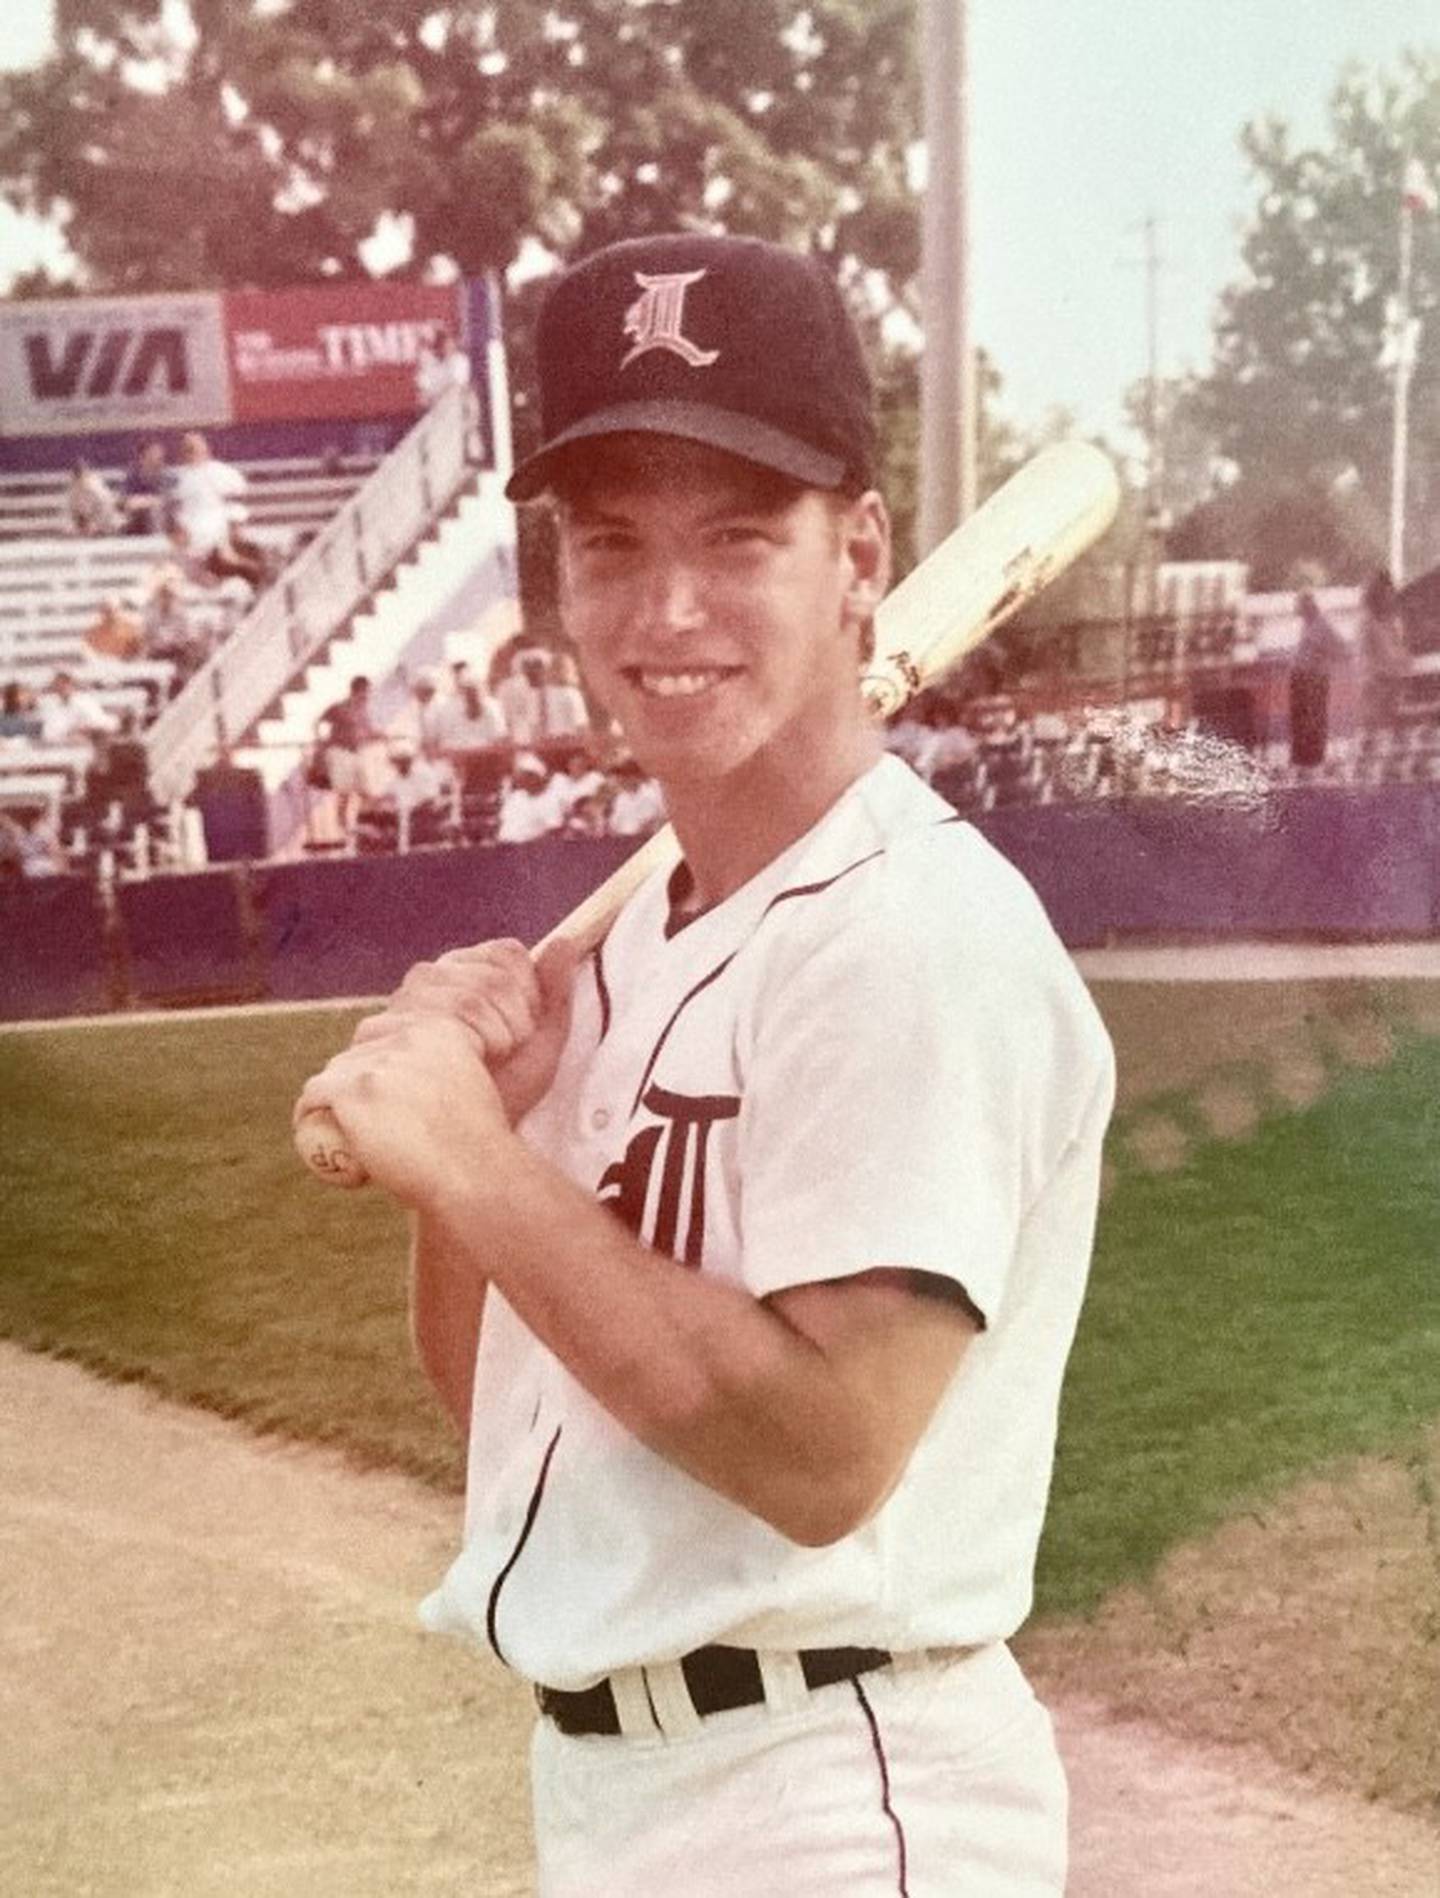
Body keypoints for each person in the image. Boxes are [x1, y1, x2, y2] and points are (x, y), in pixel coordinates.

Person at [297, 232, 1114, 1896]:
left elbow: (824, 1454)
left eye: (739, 537)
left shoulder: (912, 935)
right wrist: (491, 1153)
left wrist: (475, 1163)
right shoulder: (631, 943)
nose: (668, 611)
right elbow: (511, 1406)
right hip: (623, 1790)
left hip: (831, 1789)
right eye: (614, 546)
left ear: (861, 551)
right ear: (561, 577)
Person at [170, 432, 269, 588]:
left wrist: (233, 524)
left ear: (206, 448)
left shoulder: (222, 472)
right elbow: (177, 510)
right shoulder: (179, 478)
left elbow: (238, 499)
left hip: (220, 522)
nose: (192, 451)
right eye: (188, 448)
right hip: (193, 529)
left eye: (196, 447)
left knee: (235, 554)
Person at [1289, 584, 1352, 769]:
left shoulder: (1322, 625)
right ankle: (1301, 758)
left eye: (1299, 605)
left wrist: (1323, 656)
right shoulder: (1306, 624)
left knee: (1314, 720)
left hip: (1315, 678)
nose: (1297, 609)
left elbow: (1342, 650)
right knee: (1300, 720)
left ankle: (1313, 759)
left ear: (1308, 605)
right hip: (1300, 677)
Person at [315, 674, 385, 834]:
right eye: (366, 691)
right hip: (340, 752)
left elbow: (367, 731)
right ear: (357, 690)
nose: (368, 695)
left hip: (356, 752)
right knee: (344, 791)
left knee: (365, 789)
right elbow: (319, 722)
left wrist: (381, 736)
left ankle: (364, 822)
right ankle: (342, 825)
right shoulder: (339, 708)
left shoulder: (363, 710)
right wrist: (321, 742)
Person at [119, 439, 173, 536]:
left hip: (162, 521)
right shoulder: (133, 477)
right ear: (142, 457)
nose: (159, 458)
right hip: (137, 521)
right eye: (153, 454)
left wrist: (150, 501)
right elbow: (127, 503)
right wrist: (150, 501)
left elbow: (167, 500)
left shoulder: (163, 477)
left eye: (160, 455)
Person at [64, 461, 120, 537]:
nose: (79, 482)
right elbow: (68, 514)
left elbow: (108, 510)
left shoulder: (99, 490)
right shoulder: (72, 492)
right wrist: (73, 525)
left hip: (105, 525)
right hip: (83, 527)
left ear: (86, 475)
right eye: (75, 478)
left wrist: (97, 525)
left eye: (81, 477)